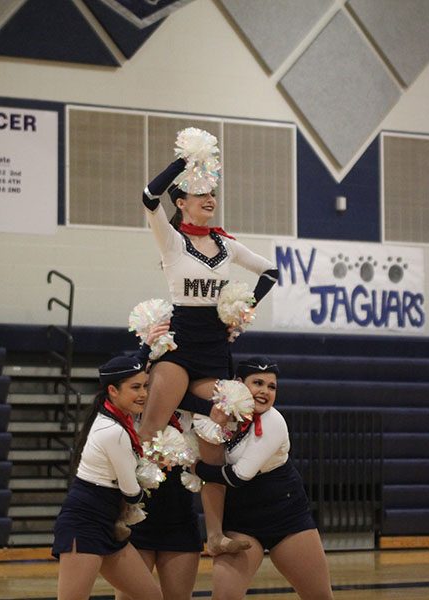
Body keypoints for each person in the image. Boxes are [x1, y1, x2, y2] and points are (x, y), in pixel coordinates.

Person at [137, 134, 278, 562]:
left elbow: (270, 271)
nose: (209, 198)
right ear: (182, 202)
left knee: (213, 433)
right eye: (200, 193)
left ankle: (214, 535)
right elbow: (147, 196)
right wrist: (184, 164)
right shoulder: (171, 240)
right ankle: (124, 507)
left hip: (214, 348)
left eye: (213, 192)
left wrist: (241, 311)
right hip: (179, 347)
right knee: (149, 432)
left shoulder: (225, 245)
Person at [194, 357, 334, 600]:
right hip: (240, 519)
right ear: (238, 384)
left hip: (286, 517)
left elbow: (239, 476)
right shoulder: (218, 417)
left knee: (319, 596)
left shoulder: (273, 421)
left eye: (271, 387)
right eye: (257, 383)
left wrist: (197, 469)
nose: (265, 392)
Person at [52, 355, 162, 600]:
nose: (143, 393)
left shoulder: (118, 420)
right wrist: (154, 476)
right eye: (135, 387)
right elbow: (131, 492)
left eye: (145, 386)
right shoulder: (113, 430)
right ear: (112, 390)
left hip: (108, 524)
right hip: (84, 524)